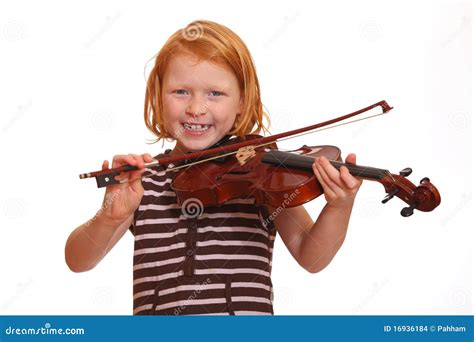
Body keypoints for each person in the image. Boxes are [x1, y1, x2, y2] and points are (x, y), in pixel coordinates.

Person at [65, 20, 362, 315]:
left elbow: (312, 257)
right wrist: (110, 215)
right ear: (158, 98)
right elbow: (78, 261)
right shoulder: (144, 182)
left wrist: (339, 206)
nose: (196, 108)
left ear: (242, 103)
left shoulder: (262, 177)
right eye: (181, 91)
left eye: (215, 94)